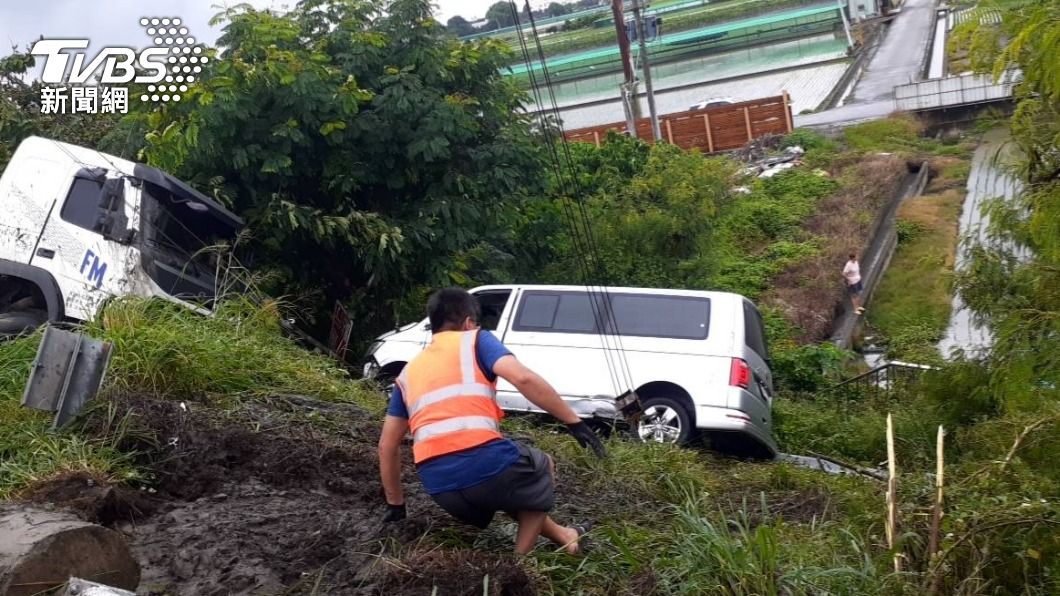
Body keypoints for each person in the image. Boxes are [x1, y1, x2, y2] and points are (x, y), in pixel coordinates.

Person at [377, 287, 607, 555]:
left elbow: (386, 445)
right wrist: (573, 421)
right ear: (468, 323)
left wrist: (396, 505)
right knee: (542, 466)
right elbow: (523, 378)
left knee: (512, 487)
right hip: (481, 464)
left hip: (440, 487)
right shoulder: (475, 340)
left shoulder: (407, 373)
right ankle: (516, 565)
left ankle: (566, 536)